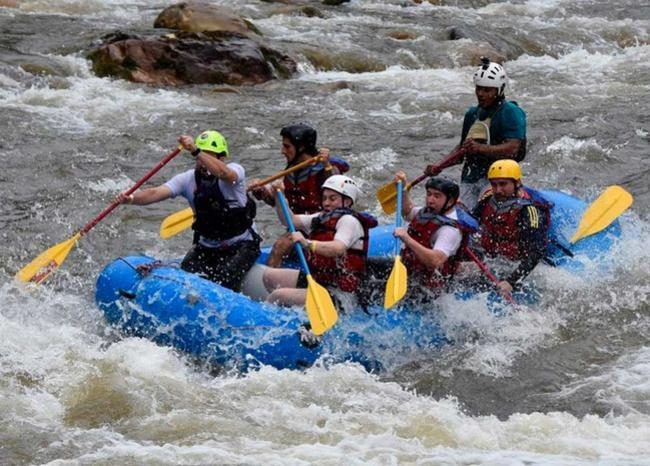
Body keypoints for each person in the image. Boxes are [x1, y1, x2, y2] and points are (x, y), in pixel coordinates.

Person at [116, 130, 260, 292]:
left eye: (209, 156)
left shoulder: (235, 171)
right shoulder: (188, 179)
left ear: (222, 158)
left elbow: (224, 173)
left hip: (241, 244)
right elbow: (156, 193)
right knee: (184, 285)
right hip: (207, 247)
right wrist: (132, 199)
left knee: (224, 279)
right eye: (200, 158)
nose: (203, 162)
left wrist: (196, 151)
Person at [426, 57, 527, 210]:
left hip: (498, 179)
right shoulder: (472, 114)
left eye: (487, 90)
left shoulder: (511, 112)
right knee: (462, 214)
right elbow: (462, 149)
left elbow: (513, 148)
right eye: (478, 88)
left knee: (486, 211)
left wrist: (479, 148)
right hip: (471, 178)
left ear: (499, 90)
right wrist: (439, 165)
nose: (480, 94)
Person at [262, 174, 377, 308]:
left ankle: (278, 317)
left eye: (332, 198)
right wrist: (279, 196)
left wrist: (308, 243)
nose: (326, 202)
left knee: (278, 296)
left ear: (347, 201)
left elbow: (338, 248)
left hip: (342, 294)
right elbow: (290, 220)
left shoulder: (349, 221)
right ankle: (297, 308)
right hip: (321, 281)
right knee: (268, 276)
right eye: (324, 198)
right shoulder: (321, 218)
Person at [249, 123, 349, 267]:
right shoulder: (292, 170)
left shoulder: (323, 169)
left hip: (324, 227)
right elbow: (284, 202)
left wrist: (327, 164)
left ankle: (269, 284)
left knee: (280, 246)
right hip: (299, 225)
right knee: (283, 243)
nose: (282, 151)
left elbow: (336, 188)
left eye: (287, 146)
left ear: (301, 148)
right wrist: (263, 193)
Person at [470, 159, 551, 296]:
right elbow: (469, 223)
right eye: (494, 185)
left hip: (521, 265)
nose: (497, 190)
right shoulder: (487, 202)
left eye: (503, 184)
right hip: (495, 260)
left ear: (517, 182)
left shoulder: (528, 210)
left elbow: (537, 251)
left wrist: (511, 282)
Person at [392, 172, 466, 300]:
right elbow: (407, 212)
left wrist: (407, 239)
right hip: (412, 273)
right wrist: (403, 189)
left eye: (437, 196)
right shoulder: (428, 212)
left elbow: (435, 261)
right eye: (429, 194)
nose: (430, 200)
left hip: (431, 290)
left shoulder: (449, 230)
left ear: (451, 201)